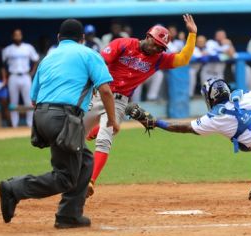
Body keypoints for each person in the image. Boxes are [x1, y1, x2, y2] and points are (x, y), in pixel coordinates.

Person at [0, 19, 119, 228]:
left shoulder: (48, 58)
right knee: (65, 178)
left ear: (58, 38)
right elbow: (106, 90)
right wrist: (113, 120)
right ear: (82, 39)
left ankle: (69, 214)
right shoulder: (89, 54)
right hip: (64, 118)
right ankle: (14, 188)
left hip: (41, 117)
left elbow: (34, 98)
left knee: (85, 162)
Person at [84, 14, 198, 197]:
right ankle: (91, 134)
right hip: (99, 93)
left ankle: (90, 181)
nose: (157, 50)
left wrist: (192, 35)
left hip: (120, 102)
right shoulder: (123, 43)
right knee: (74, 136)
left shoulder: (158, 58)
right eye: (156, 44)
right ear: (148, 37)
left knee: (105, 140)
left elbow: (183, 59)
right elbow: (99, 63)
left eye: (161, 48)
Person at [2, 29, 39, 128]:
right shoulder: (8, 49)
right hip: (13, 76)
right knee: (14, 101)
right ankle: (14, 125)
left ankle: (30, 124)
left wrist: (32, 72)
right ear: (12, 37)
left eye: (19, 35)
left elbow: (36, 59)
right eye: (15, 35)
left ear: (22, 36)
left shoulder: (28, 47)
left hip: (25, 75)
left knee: (29, 101)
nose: (17, 37)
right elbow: (2, 64)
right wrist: (5, 76)